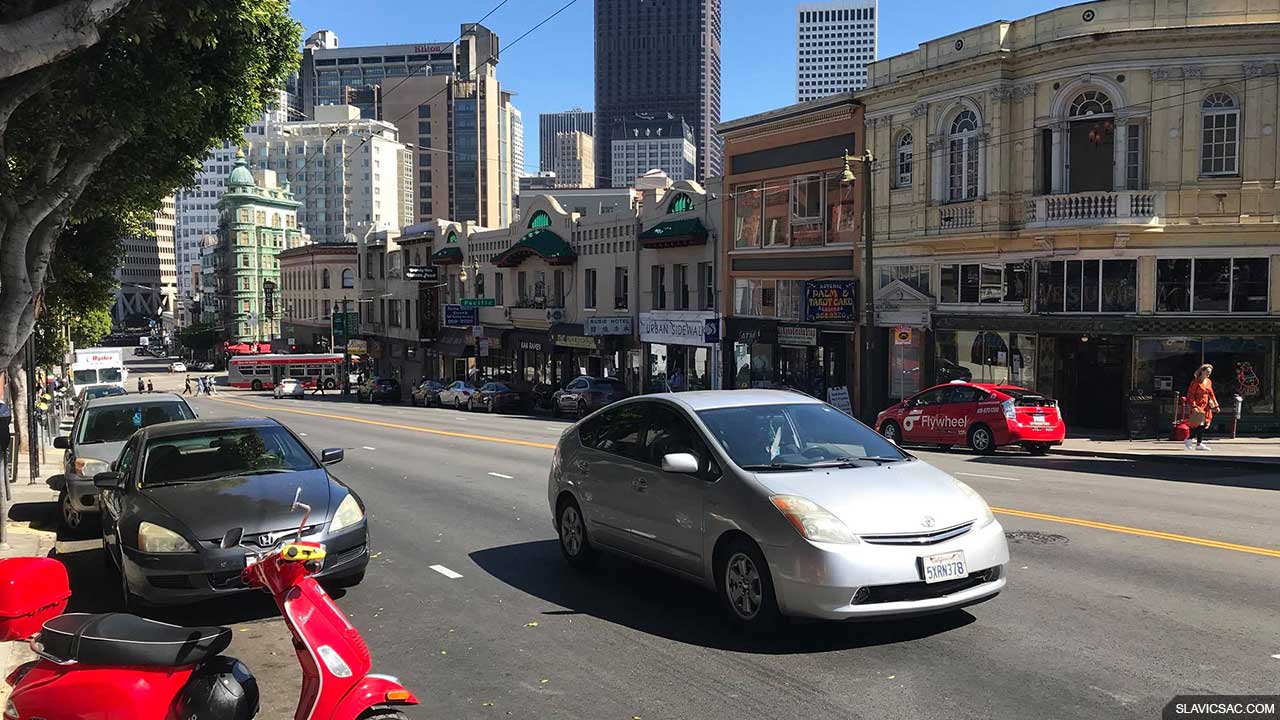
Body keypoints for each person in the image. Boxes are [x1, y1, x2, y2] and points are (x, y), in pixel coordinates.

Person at [1185, 363, 1219, 451]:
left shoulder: (1208, 381)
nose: (1208, 374)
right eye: (1207, 372)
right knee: (1197, 424)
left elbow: (1211, 394)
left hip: (1206, 405)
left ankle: (1193, 440)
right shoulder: (1195, 382)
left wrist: (1216, 405)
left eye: (1210, 372)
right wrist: (1194, 406)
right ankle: (1195, 441)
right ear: (1202, 371)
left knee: (1204, 423)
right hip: (1198, 405)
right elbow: (1191, 395)